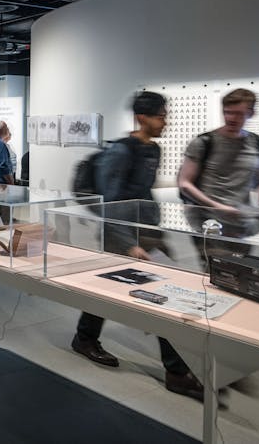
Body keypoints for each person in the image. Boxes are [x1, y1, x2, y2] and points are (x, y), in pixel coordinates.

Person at [70, 92, 205, 400]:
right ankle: (176, 371)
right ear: (142, 117)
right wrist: (130, 245)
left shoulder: (153, 149)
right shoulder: (121, 152)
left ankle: (86, 338)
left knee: (162, 293)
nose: (165, 121)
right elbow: (111, 202)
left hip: (147, 232)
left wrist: (155, 229)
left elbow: (144, 192)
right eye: (161, 116)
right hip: (121, 236)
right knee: (141, 294)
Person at [178, 88, 259, 220]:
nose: (231, 118)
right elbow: (184, 183)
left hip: (242, 220)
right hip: (206, 221)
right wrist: (217, 207)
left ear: (251, 113)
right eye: (227, 112)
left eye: (239, 114)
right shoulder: (204, 142)